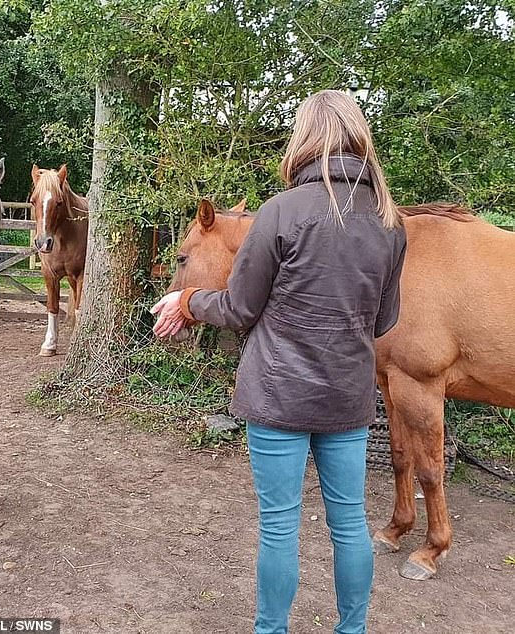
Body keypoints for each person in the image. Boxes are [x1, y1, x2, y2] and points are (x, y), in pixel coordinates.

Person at [151, 89, 406, 634]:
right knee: (349, 524)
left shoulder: (281, 212)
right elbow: (383, 322)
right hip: (346, 399)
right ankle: (352, 629)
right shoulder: (390, 221)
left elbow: (241, 308)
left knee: (279, 527)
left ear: (305, 140)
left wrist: (189, 301)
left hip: (278, 396)